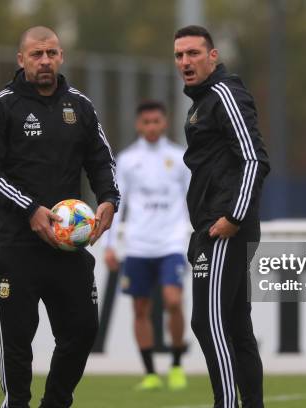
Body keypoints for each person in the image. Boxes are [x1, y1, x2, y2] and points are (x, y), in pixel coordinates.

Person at [0, 26, 119, 408]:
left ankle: (55, 402)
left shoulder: (81, 106)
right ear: (21, 59)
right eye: (37, 54)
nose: (45, 61)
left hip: (68, 244)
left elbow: (102, 161)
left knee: (83, 330)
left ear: (61, 57)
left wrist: (108, 200)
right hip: (17, 243)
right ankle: (17, 403)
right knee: (19, 339)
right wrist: (30, 209)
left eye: (52, 53)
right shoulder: (3, 105)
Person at [173, 25, 271, 408]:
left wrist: (233, 216)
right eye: (179, 55)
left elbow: (254, 159)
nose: (185, 62)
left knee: (206, 322)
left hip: (225, 226)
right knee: (234, 324)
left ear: (213, 56)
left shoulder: (224, 93)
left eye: (194, 53)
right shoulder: (202, 101)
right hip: (213, 225)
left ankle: (227, 403)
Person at [104, 100, 190, 391]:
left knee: (173, 301)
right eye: (146, 122)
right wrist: (110, 244)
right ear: (138, 125)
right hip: (138, 245)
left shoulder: (180, 158)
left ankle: (177, 364)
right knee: (140, 309)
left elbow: (194, 201)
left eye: (156, 122)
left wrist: (193, 236)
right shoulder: (127, 160)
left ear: (164, 123)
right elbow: (117, 204)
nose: (151, 127)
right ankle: (151, 373)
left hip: (171, 242)